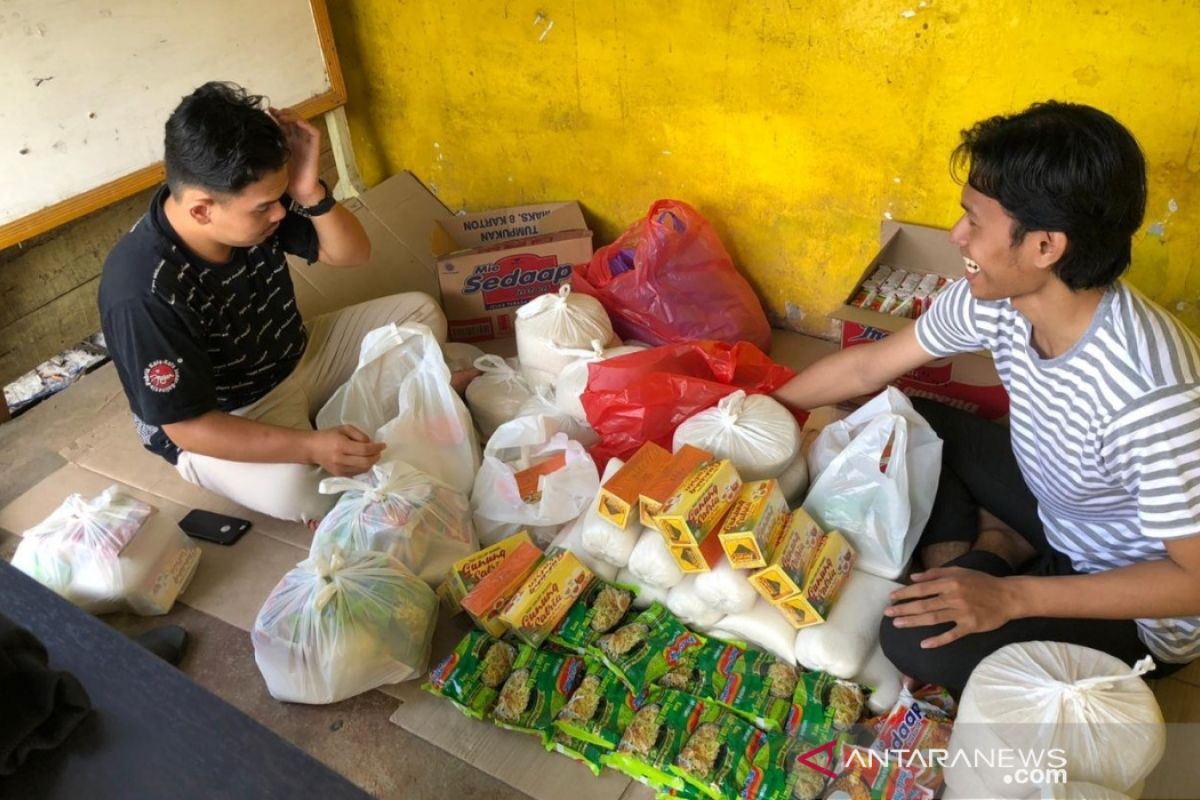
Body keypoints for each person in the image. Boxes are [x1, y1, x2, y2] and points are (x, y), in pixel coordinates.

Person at [774, 101, 1200, 690]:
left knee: (910, 640)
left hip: (1135, 599)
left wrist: (1010, 597)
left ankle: (997, 561)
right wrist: (763, 409)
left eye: (974, 220)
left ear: (1045, 248)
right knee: (899, 413)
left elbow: (1194, 582)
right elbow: (872, 365)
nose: (956, 235)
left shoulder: (1150, 398)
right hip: (1059, 510)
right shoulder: (996, 300)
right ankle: (1001, 541)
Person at [99, 82, 450, 524]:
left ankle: (338, 429)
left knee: (421, 314)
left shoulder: (256, 207)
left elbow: (351, 255)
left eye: (280, 200)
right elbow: (186, 426)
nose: (279, 214)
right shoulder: (142, 291)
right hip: (233, 415)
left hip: (301, 355)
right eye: (265, 207)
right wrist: (308, 447)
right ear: (202, 210)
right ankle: (338, 432)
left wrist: (310, 192)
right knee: (306, 493)